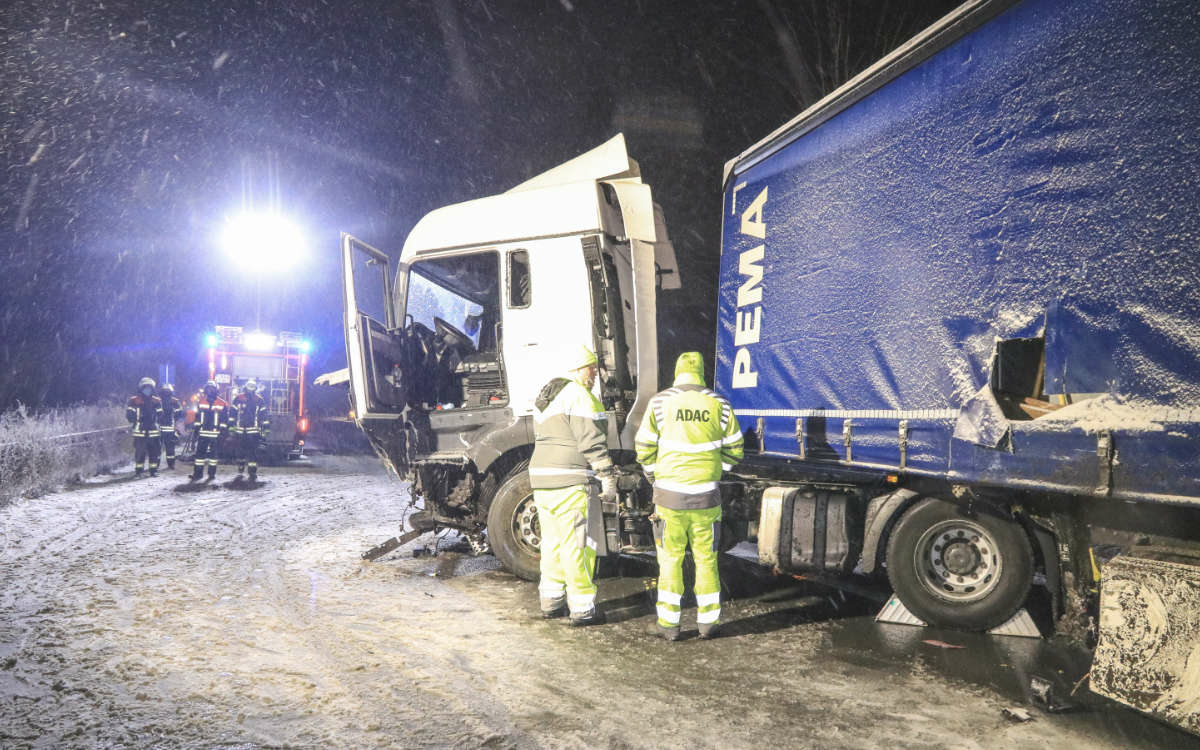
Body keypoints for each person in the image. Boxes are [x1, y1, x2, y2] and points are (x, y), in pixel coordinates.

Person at [635, 352, 744, 641]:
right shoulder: (718, 404)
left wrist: (653, 475)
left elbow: (644, 444)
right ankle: (708, 623)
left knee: (670, 560)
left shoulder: (660, 402)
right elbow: (735, 447)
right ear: (701, 373)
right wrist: (714, 471)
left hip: (669, 498)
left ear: (678, 372)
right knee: (706, 559)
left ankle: (669, 626)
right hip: (706, 498)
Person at [528, 344, 616, 626]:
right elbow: (591, 440)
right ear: (579, 368)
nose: (594, 375)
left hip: (541, 478)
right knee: (577, 544)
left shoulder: (549, 396)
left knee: (552, 542)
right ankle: (582, 609)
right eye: (591, 368)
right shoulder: (580, 396)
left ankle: (551, 602)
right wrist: (606, 475)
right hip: (568, 480)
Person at [230, 379, 270, 482]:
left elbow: (263, 416)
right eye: (250, 386)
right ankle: (241, 467)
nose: (251, 388)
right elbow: (232, 413)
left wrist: (266, 428)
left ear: (255, 388)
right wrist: (231, 426)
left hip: (253, 431)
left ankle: (252, 472)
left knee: (252, 452)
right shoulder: (238, 398)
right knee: (240, 452)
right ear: (246, 387)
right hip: (240, 430)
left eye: (253, 387)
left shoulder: (259, 400)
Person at [191, 380, 229, 482]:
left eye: (212, 389)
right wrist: (196, 431)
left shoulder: (222, 403)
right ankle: (197, 474)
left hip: (215, 434)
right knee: (199, 456)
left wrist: (223, 432)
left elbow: (224, 420)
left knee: (213, 457)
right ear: (205, 390)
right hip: (203, 433)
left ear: (216, 390)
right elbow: (198, 418)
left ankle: (211, 474)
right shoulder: (201, 402)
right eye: (208, 389)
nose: (210, 391)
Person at [126, 377, 163, 477]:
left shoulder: (156, 401)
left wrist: (156, 422)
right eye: (145, 387)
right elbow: (130, 415)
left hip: (153, 432)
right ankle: (139, 471)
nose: (147, 390)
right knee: (140, 452)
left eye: (149, 388)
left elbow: (161, 415)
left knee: (154, 452)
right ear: (141, 388)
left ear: (153, 389)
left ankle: (153, 470)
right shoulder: (134, 400)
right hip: (140, 432)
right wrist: (137, 420)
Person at [157, 383, 183, 470]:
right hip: (168, 429)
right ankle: (170, 465)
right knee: (169, 449)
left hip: (159, 429)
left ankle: (155, 465)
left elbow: (179, 412)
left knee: (158, 448)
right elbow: (179, 413)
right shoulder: (174, 401)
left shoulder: (158, 400)